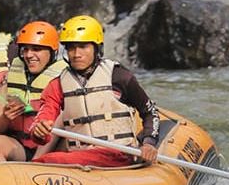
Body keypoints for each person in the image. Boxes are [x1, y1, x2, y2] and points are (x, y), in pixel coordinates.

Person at [28, 15, 160, 168]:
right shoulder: (57, 84)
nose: (76, 54)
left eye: (83, 46)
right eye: (71, 47)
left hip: (119, 154)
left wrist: (149, 143)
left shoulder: (119, 76)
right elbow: (45, 116)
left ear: (97, 48)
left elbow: (150, 112)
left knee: (48, 161)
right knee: (50, 160)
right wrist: (39, 130)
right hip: (80, 158)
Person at [0, 21, 68, 164]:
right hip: (20, 147)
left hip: (53, 147)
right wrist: (6, 117)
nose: (29, 55)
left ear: (53, 51)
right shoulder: (10, 77)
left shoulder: (65, 78)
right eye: (25, 49)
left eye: (36, 49)